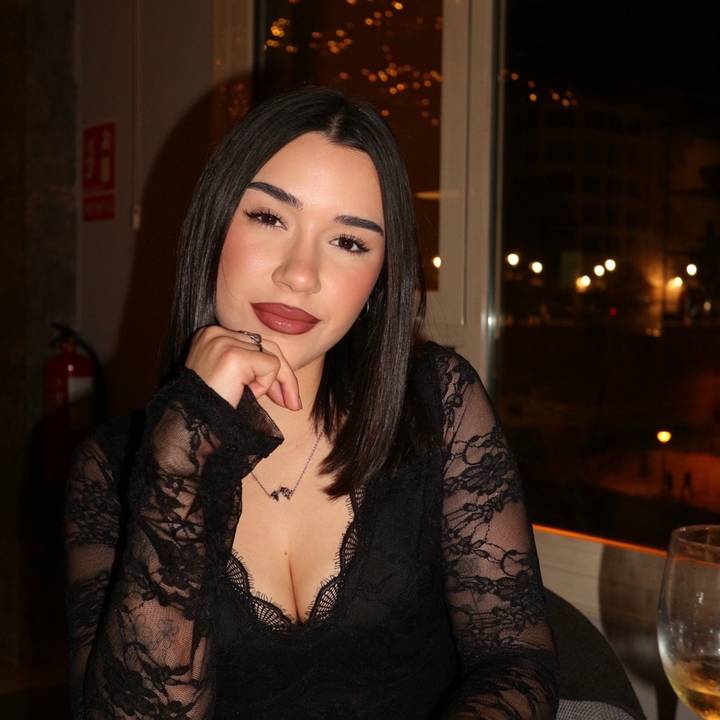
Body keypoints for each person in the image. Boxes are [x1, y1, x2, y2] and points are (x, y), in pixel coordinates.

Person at [64, 85, 558, 719]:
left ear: (379, 279)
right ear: (214, 225)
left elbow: (515, 658)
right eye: (270, 218)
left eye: (349, 242)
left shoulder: (440, 404)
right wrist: (180, 459)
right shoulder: (112, 467)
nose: (300, 273)